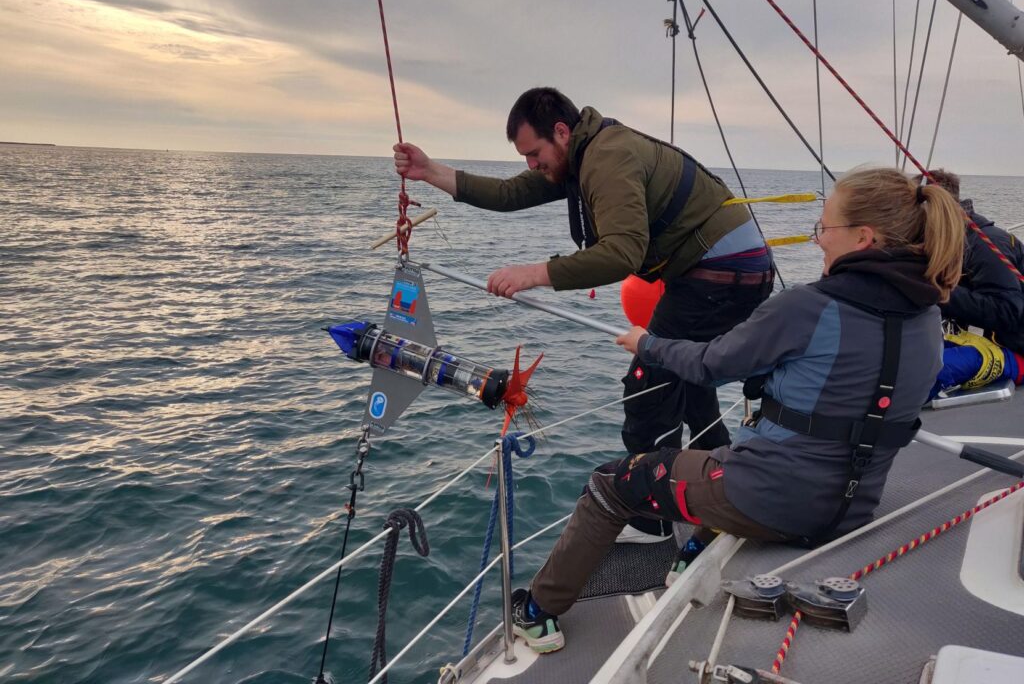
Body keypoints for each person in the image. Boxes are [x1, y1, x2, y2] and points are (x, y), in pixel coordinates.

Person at [507, 166, 963, 653]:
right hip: (853, 508)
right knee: (728, 457)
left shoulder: (807, 308)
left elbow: (709, 364)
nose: (818, 241)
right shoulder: (929, 319)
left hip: (772, 501)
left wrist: (648, 343)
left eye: (824, 228)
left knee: (612, 485)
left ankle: (536, 614)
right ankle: (691, 555)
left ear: (863, 237)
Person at [394, 88, 774, 541]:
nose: (532, 165)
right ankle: (727, 494)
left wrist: (533, 273)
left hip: (718, 273)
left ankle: (651, 525)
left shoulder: (607, 158)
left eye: (535, 154)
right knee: (685, 379)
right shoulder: (581, 153)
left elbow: (621, 252)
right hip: (733, 268)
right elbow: (508, 192)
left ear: (561, 132)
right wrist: (428, 170)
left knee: (648, 388)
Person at [924, 169, 1024, 353]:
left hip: (1013, 347)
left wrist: (936, 292)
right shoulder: (950, 240)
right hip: (981, 339)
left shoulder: (986, 245)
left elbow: (1007, 311)